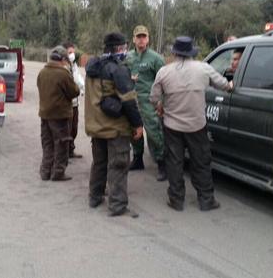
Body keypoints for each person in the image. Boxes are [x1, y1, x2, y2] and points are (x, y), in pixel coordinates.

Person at [149, 36, 233, 212]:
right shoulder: (204, 68)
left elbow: (153, 98)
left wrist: (160, 107)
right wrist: (231, 83)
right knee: (201, 161)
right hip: (197, 125)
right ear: (192, 52)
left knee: (174, 162)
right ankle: (206, 199)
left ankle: (176, 199)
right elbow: (224, 85)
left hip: (172, 126)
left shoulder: (164, 72)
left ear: (174, 53)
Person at [85, 32, 144, 218]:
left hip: (96, 126)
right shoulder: (118, 69)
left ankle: (94, 196)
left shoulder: (93, 67)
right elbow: (128, 101)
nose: (126, 50)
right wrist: (138, 124)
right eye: (125, 47)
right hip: (115, 128)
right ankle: (117, 204)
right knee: (118, 164)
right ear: (119, 48)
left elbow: (103, 91)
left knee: (99, 163)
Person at [126, 25, 167, 181]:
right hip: (132, 100)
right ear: (134, 39)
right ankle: (137, 159)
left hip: (149, 102)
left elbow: (164, 82)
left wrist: (161, 103)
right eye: (138, 37)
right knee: (134, 131)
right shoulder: (128, 57)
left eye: (144, 36)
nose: (141, 39)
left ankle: (162, 163)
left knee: (154, 133)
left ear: (148, 39)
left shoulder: (156, 58)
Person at [36, 46, 80, 181]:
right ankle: (58, 172)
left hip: (45, 114)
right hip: (60, 115)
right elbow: (75, 92)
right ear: (62, 59)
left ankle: (45, 171)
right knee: (61, 144)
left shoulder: (42, 72)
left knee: (47, 144)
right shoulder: (63, 73)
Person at [63, 42, 85, 159]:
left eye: (73, 52)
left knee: (74, 129)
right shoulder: (63, 66)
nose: (72, 54)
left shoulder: (74, 65)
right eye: (70, 52)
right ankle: (64, 152)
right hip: (67, 104)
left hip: (75, 102)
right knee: (66, 129)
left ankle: (71, 149)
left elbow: (79, 80)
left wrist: (82, 89)